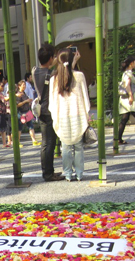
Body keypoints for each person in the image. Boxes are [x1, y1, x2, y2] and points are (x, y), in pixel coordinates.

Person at [48, 48, 91, 182]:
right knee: (78, 146)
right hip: (77, 114)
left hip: (62, 116)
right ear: (72, 60)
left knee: (65, 146)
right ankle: (79, 174)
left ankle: (67, 174)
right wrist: (87, 113)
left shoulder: (54, 79)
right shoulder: (79, 76)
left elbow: (52, 102)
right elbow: (85, 96)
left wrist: (55, 116)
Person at [33, 43, 64, 182]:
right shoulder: (50, 75)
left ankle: (48, 171)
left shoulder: (35, 72)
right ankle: (47, 174)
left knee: (47, 142)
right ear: (51, 58)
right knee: (49, 143)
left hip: (41, 111)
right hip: (48, 111)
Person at [16, 80, 40, 145]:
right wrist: (26, 101)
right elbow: (17, 105)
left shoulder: (24, 93)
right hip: (21, 113)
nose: (24, 86)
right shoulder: (18, 94)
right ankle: (17, 142)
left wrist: (28, 102)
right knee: (20, 128)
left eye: (25, 85)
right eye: (23, 85)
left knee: (31, 126)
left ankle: (34, 140)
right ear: (19, 86)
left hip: (27, 112)